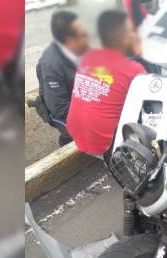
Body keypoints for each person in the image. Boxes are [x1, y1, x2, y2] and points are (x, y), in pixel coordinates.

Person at [66, 10, 146, 158]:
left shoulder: (87, 57)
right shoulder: (134, 69)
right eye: (131, 31)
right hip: (107, 145)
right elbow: (150, 105)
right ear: (125, 38)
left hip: (77, 133)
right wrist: (140, 50)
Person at [35, 11, 90, 146]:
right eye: (82, 34)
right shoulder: (51, 64)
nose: (87, 35)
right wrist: (91, 117)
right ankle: (66, 142)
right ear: (69, 40)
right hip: (63, 111)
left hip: (83, 100)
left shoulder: (81, 47)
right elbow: (59, 108)